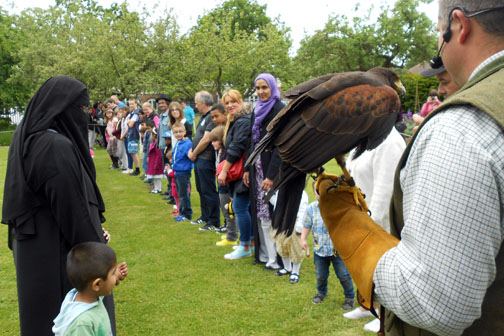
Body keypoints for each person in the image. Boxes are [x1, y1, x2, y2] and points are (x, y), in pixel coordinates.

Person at [316, 2, 504, 335]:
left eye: (437, 32)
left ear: (458, 26)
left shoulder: (461, 129)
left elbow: (439, 304)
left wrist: (355, 232)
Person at [1, 76, 120, 335]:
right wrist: (99, 251)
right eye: (80, 110)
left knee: (41, 319)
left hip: (36, 252)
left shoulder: (28, 140)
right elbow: (72, 211)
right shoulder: (54, 146)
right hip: (62, 256)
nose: (84, 116)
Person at [343, 126, 406, 332]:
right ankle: (367, 305)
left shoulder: (390, 142)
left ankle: (382, 313)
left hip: (379, 223)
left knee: (381, 267)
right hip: (359, 217)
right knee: (364, 267)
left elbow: (385, 191)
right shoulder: (365, 138)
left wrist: (373, 227)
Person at [243, 73, 285, 269]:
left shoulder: (280, 110)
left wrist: (271, 175)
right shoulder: (256, 109)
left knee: (271, 213)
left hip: (271, 170)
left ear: (272, 88)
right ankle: (263, 255)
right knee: (260, 213)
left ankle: (276, 259)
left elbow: (280, 146)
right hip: (257, 167)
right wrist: (247, 168)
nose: (261, 92)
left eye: (264, 87)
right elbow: (252, 141)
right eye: (258, 88)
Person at [53, 242, 128, 336]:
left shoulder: (88, 296)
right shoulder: (82, 324)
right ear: (97, 284)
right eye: (113, 273)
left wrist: (116, 276)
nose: (115, 274)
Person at [301, 182, 355, 310]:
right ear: (314, 193)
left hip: (337, 250)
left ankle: (350, 297)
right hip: (319, 250)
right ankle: (321, 292)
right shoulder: (311, 208)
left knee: (343, 275)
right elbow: (307, 224)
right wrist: (303, 239)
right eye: (318, 191)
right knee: (321, 275)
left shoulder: (338, 208)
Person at [217, 90, 252, 260]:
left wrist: (224, 170)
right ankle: (250, 243)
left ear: (241, 101)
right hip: (242, 171)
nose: (230, 105)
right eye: (227, 103)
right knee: (243, 207)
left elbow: (237, 147)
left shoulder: (243, 121)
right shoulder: (236, 120)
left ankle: (245, 244)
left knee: (240, 208)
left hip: (243, 171)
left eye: (233, 102)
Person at [188, 91, 221, 230]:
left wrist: (194, 153)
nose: (196, 106)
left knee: (208, 189)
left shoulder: (210, 117)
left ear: (203, 103)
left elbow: (207, 139)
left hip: (205, 158)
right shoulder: (203, 117)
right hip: (199, 158)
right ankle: (205, 216)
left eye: (196, 103)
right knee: (201, 189)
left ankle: (213, 221)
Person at [210, 125, 239, 246]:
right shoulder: (220, 152)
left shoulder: (226, 153)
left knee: (230, 212)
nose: (212, 143)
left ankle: (232, 237)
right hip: (221, 186)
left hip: (226, 187)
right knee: (226, 211)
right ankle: (231, 234)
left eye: (215, 140)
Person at [274, 190, 308, 283]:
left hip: (295, 221)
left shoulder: (301, 193)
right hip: (282, 221)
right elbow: (277, 205)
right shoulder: (280, 191)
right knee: (281, 245)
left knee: (296, 247)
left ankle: (295, 271)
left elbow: (303, 209)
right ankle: (287, 267)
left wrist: (300, 226)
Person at [171, 123, 193, 222]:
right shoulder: (178, 143)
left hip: (183, 172)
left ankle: (186, 214)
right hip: (177, 171)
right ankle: (182, 212)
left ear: (185, 132)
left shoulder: (187, 143)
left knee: (184, 194)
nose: (178, 134)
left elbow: (190, 156)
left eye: (180, 132)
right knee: (180, 193)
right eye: (176, 132)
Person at [156, 94, 173, 199]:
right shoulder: (161, 115)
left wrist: (169, 146)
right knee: (166, 169)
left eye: (163, 103)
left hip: (169, 147)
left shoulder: (170, 115)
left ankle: (172, 192)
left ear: (168, 103)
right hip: (162, 146)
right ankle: (169, 189)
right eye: (159, 103)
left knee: (170, 169)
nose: (161, 105)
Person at [124, 98, 141, 176]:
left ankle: (137, 170)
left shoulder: (136, 113)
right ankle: (136, 169)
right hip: (131, 134)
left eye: (132, 104)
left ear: (136, 104)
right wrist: (129, 121)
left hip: (134, 135)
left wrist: (128, 121)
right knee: (131, 152)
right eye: (129, 104)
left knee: (133, 152)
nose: (131, 105)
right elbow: (130, 123)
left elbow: (131, 124)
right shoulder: (132, 112)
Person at [146, 127, 164, 194]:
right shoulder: (154, 144)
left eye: (152, 135)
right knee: (155, 178)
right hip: (153, 163)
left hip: (156, 164)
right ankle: (157, 188)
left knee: (157, 178)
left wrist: (156, 164)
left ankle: (158, 188)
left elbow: (158, 156)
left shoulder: (157, 145)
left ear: (154, 135)